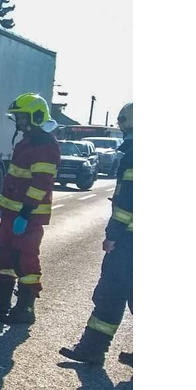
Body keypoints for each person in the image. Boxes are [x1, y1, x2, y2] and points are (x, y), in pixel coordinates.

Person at [0, 93, 61, 324]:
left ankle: (25, 308)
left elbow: (42, 182)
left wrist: (25, 212)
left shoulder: (45, 145)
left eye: (22, 117)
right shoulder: (26, 142)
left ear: (35, 116)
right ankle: (1, 303)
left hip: (28, 215)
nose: (18, 121)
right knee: (3, 256)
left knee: (25, 259)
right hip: (12, 213)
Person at [60, 102, 133, 364]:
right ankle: (92, 349)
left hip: (129, 243)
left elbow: (128, 201)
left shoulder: (135, 154)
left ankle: (92, 350)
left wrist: (113, 234)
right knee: (116, 295)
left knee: (111, 293)